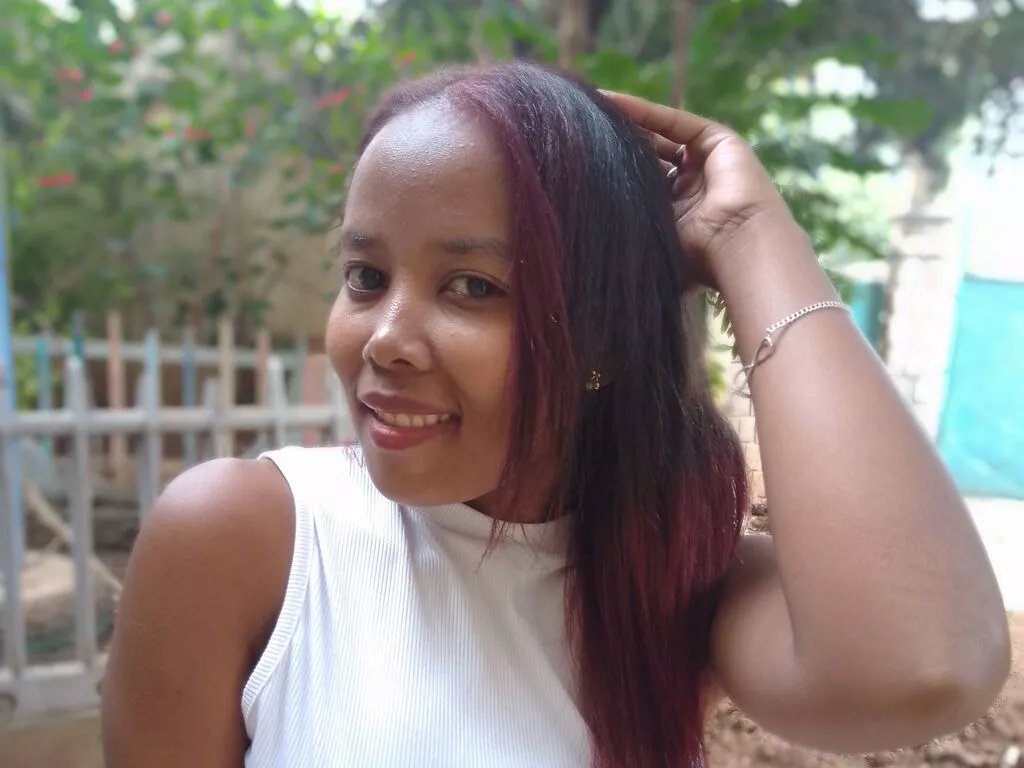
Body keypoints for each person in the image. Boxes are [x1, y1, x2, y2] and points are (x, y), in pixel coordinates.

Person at [101, 62, 1010, 768]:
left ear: (601, 340)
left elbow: (925, 664)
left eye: (472, 286)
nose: (385, 339)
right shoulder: (245, 540)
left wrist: (749, 236)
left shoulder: (672, 577)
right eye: (366, 276)